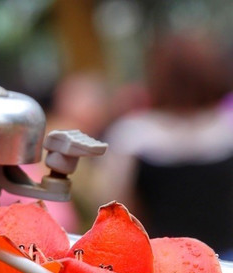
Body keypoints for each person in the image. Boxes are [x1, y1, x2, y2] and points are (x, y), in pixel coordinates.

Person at [93, 31, 233, 258]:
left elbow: (114, 207)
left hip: (162, 263)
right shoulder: (227, 129)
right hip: (226, 261)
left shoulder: (132, 135)